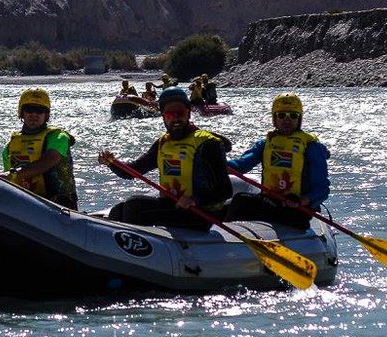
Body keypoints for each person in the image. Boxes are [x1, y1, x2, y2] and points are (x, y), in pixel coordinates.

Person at [98, 86, 232, 230]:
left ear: (188, 114)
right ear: (163, 116)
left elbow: (225, 191)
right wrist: (112, 163)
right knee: (119, 210)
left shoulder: (208, 144)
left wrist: (195, 199)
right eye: (169, 115)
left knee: (134, 206)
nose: (175, 119)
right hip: (173, 207)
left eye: (180, 113)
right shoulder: (163, 143)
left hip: (201, 213)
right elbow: (133, 171)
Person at [224, 93, 329, 230]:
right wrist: (219, 163)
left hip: (297, 210)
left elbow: (322, 189)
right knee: (233, 203)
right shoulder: (266, 143)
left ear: (299, 119)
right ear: (275, 118)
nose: (287, 120)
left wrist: (303, 200)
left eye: (293, 115)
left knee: (241, 201)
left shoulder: (312, 147)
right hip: (271, 202)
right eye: (281, 115)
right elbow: (241, 165)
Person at [1, 88, 78, 209]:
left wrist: (14, 175)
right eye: (29, 109)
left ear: (46, 114)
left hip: (59, 206)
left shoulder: (59, 137)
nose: (34, 114)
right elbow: (9, 178)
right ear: (22, 112)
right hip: (26, 205)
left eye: (39, 110)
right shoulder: (10, 145)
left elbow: (47, 162)